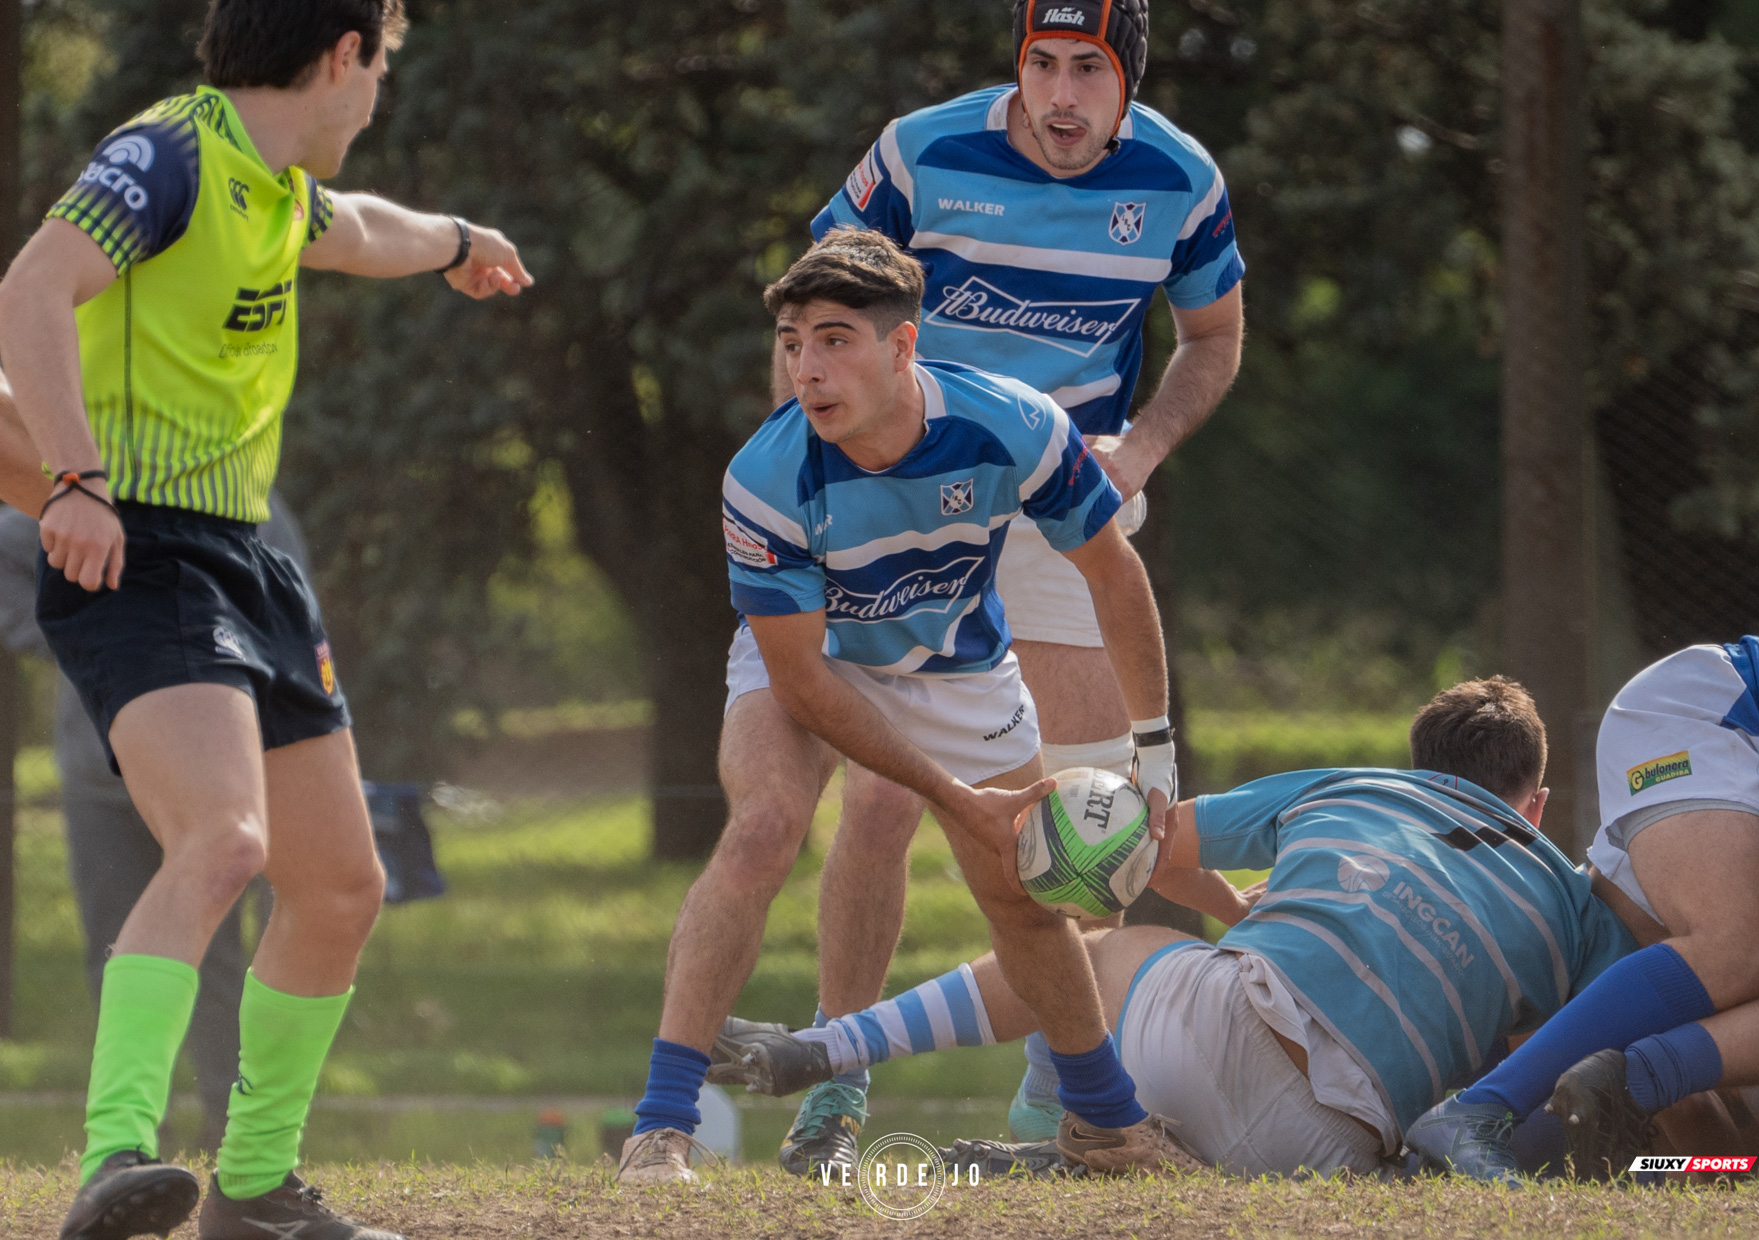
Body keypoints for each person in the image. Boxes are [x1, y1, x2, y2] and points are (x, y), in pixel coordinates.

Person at [0, 2, 533, 1237]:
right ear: (344, 56)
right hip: (141, 543)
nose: (377, 97)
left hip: (249, 561)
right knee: (226, 844)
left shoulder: (275, 185)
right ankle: (115, 1156)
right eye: (382, 68)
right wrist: (73, 480)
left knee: (343, 886)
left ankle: (252, 1192)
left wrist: (458, 238)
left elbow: (360, 231)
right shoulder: (169, 156)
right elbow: (31, 285)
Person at [618, 227, 1192, 1185]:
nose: (808, 367)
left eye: (835, 338)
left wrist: (1156, 748)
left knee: (1020, 893)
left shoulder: (1014, 424)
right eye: (794, 342)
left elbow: (1110, 569)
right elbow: (801, 682)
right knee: (763, 828)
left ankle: (1107, 1126)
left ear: (902, 345)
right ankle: (661, 1128)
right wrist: (954, 798)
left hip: (961, 668)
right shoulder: (765, 479)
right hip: (818, 661)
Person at [785, 0, 1247, 1167]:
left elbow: (1215, 338)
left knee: (1090, 817)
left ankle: (1061, 1107)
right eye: (1040, 65)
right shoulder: (919, 152)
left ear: (1126, 80)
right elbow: (814, 305)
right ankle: (833, 1087)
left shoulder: (1181, 180)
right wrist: (829, 453)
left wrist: (1139, 449)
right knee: (885, 801)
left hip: (1061, 501)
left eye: (1087, 71)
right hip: (904, 492)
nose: (1058, 96)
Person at [708, 677, 1641, 1180]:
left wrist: (1241, 911)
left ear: (1417, 762)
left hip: (1200, 1038)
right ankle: (1087, 1144)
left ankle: (853, 1054)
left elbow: (1144, 839)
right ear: (1539, 802)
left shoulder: (1353, 787)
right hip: (1333, 1153)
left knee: (1097, 952)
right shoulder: (1563, 898)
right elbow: (1589, 1049)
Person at [1408, 638, 1759, 1182]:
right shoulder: (1542, 945)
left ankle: (1460, 1128)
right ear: (1536, 810)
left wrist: (1740, 1171)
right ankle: (1485, 1110)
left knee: (1697, 1133)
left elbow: (1686, 1150)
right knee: (1740, 952)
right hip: (1718, 710)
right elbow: (1685, 1123)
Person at [0, 496, 310, 1155]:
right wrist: (76, 635)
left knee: (220, 958)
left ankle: (233, 1130)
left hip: (210, 782)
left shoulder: (254, 500)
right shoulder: (90, 482)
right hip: (101, 777)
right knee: (111, 949)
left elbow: (289, 612)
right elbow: (6, 556)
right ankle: (132, 1138)